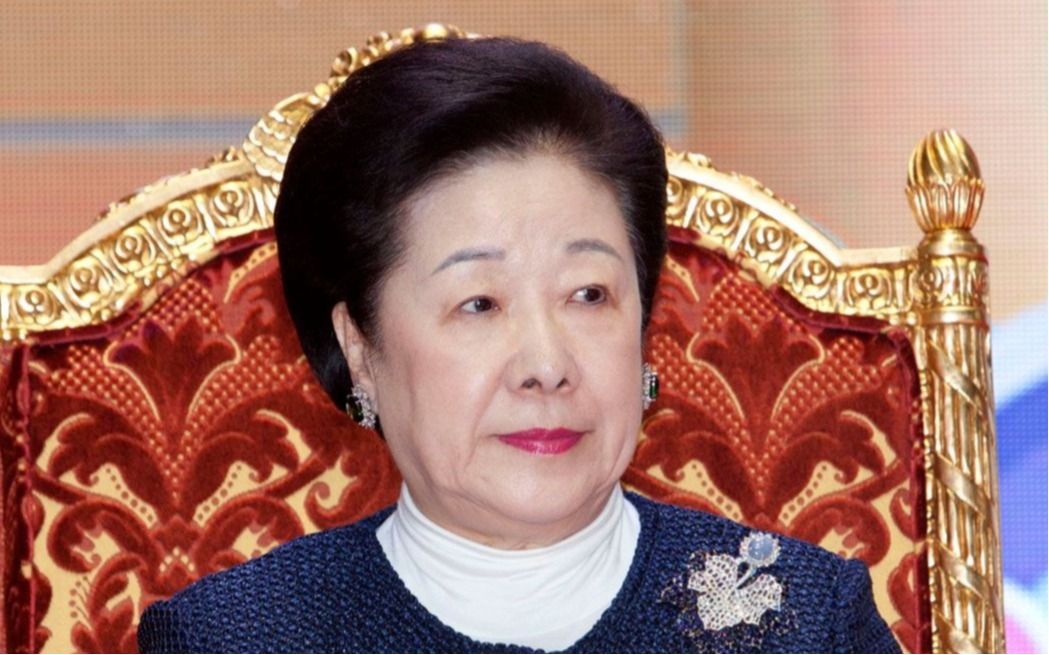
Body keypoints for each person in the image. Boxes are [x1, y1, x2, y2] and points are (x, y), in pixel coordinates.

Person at [137, 35, 900, 653]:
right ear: (360, 350)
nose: (546, 366)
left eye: (588, 295)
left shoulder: (806, 621)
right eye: (479, 303)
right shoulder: (236, 637)